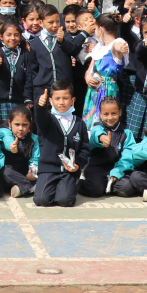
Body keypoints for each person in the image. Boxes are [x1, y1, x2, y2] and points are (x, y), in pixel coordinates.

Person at [33, 79, 88, 207]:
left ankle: (72, 185)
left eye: (65, 98)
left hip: (68, 171)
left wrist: (77, 164)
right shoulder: (48, 120)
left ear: (72, 100)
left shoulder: (79, 123)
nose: (61, 102)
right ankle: (46, 185)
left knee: (65, 200)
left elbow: (85, 150)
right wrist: (40, 106)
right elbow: (40, 117)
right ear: (50, 101)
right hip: (48, 169)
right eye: (57, 99)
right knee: (42, 200)